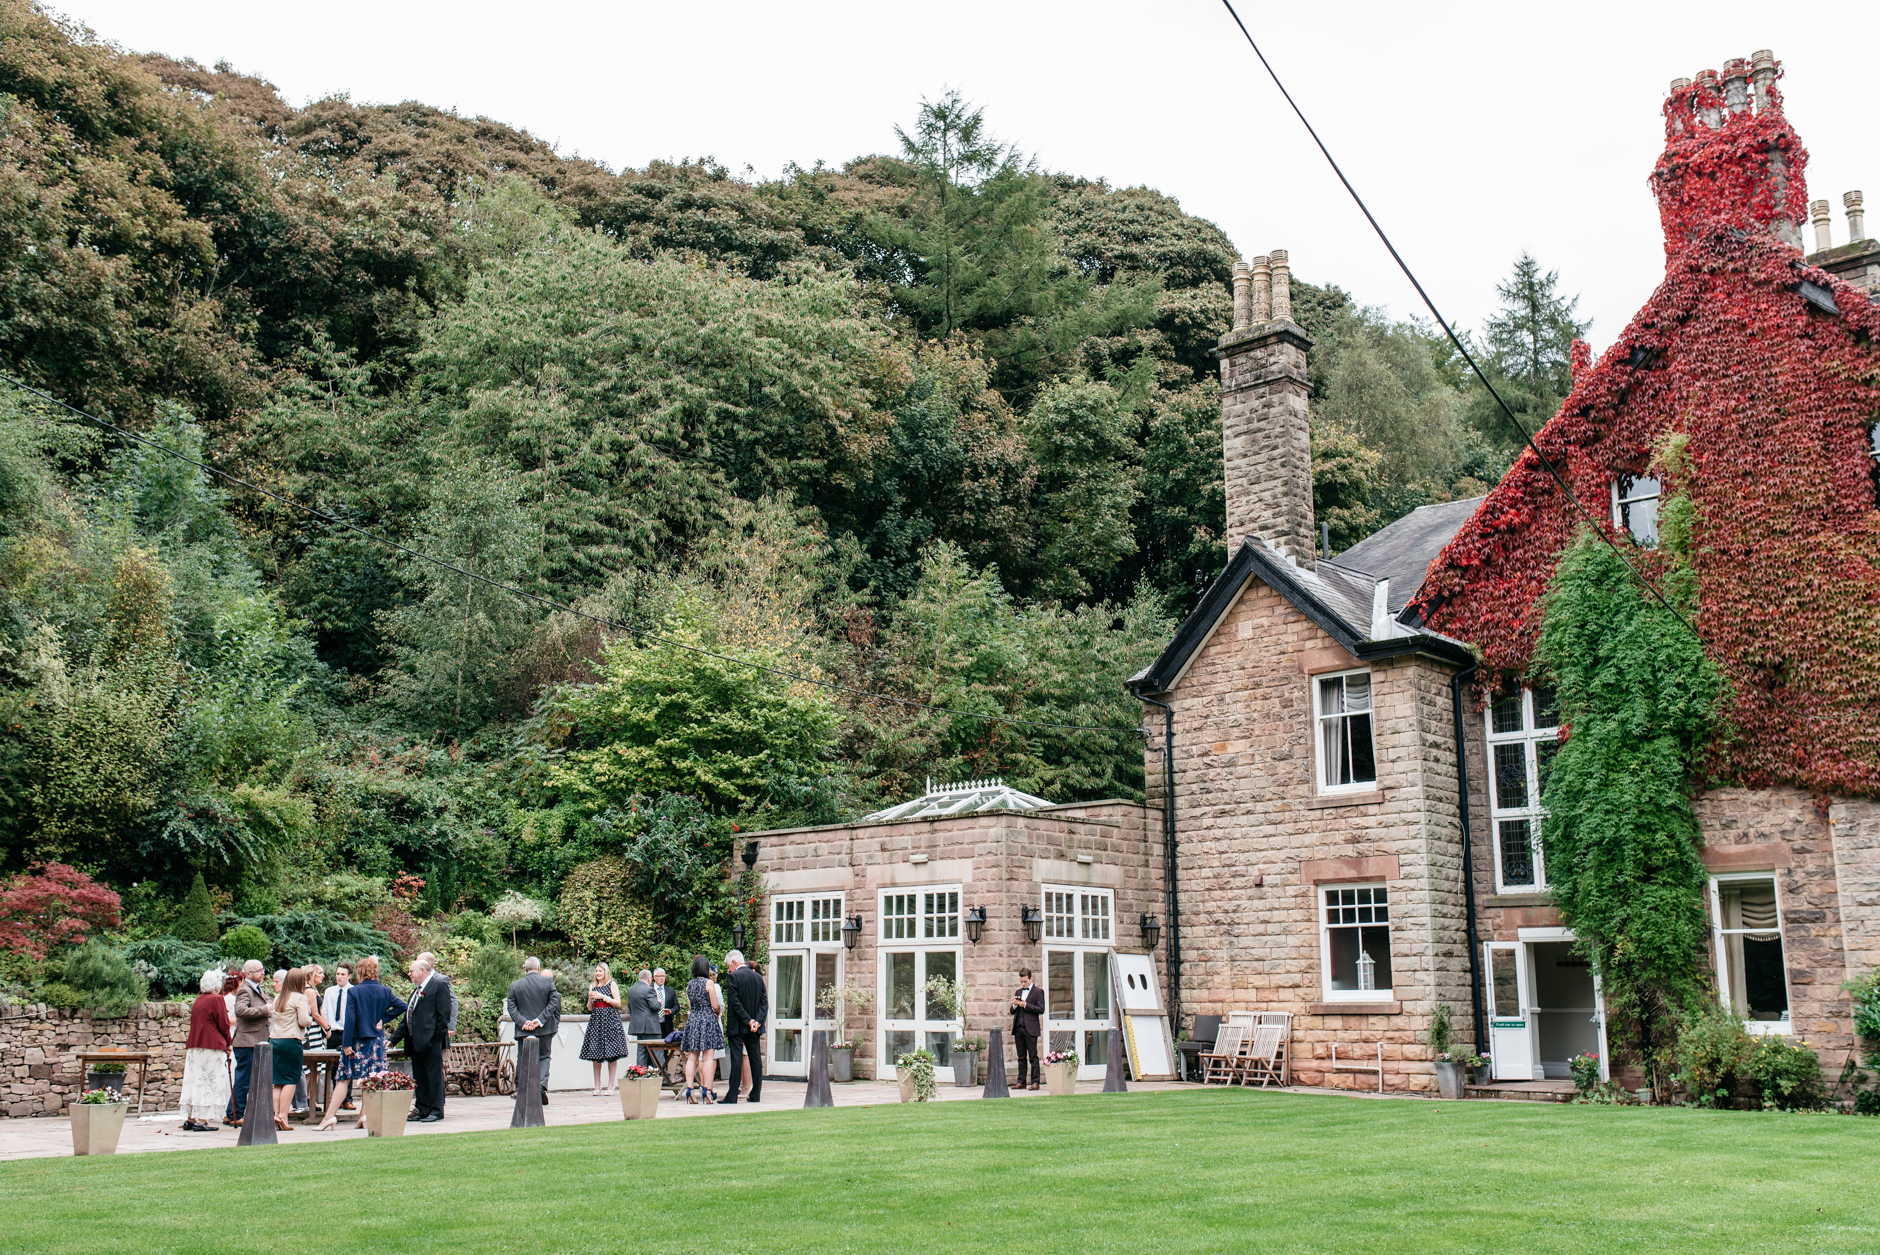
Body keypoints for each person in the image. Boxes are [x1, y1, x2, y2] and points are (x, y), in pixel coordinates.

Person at [319, 955, 404, 1132]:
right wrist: (383, 1018)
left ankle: (328, 1117)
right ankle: (364, 1117)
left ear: (359, 972)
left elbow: (350, 1019)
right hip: (376, 1042)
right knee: (371, 1079)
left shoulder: (354, 991)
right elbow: (402, 1006)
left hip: (357, 1042)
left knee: (343, 1078)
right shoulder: (385, 991)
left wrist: (346, 1043)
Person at [392, 954, 454, 1123]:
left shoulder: (439, 984)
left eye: (411, 971)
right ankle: (423, 1108)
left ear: (422, 970)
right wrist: (393, 1039)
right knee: (419, 1076)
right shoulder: (417, 990)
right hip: (416, 1042)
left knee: (433, 1076)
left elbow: (444, 1016)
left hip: (431, 1041)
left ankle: (436, 1110)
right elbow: (408, 1017)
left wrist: (436, 1040)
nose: (409, 974)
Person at [180, 968, 232, 1132]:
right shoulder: (217, 999)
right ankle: (201, 1120)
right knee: (208, 1080)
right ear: (217, 986)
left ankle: (190, 1118)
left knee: (195, 1080)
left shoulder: (198, 1000)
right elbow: (223, 1023)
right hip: (211, 1045)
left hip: (195, 1046)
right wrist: (228, 1043)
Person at [506, 956, 561, 1105]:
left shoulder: (515, 985)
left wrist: (524, 1022)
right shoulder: (548, 982)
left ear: (525, 969)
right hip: (544, 1028)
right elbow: (554, 1001)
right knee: (544, 1056)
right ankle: (541, 1086)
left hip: (524, 1030)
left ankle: (522, 1089)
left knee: (523, 1058)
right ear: (538, 968)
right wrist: (540, 1020)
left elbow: (511, 1007)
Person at [269, 967, 313, 1131]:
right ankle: (282, 1115)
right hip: (291, 1040)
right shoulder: (299, 998)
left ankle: (275, 1114)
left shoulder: (278, 997)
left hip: (275, 1040)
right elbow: (303, 1021)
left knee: (277, 1081)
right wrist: (309, 1016)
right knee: (290, 1080)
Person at [722, 950, 767, 1104]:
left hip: (738, 1026)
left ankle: (732, 1095)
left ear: (734, 962)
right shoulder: (758, 977)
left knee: (736, 1059)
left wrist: (748, 1021)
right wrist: (757, 1022)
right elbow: (764, 1003)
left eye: (729, 966)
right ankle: (756, 1094)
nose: (729, 969)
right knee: (755, 1059)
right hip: (754, 1027)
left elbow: (735, 1003)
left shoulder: (733, 977)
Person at [230, 960, 271, 1126]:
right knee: (243, 1080)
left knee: (246, 1078)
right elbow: (239, 1011)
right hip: (246, 1041)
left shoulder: (256, 988)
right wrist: (264, 1010)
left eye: (262, 970)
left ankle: (230, 1113)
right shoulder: (245, 989)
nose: (262, 973)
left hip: (255, 1040)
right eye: (258, 971)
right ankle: (237, 1114)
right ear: (248, 974)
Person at [680, 954, 725, 1103]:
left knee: (692, 1057)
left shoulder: (690, 985)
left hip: (693, 1019)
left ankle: (690, 1090)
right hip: (707, 1020)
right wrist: (717, 1012)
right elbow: (715, 1005)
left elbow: (691, 1004)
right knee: (707, 1058)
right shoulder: (709, 983)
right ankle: (706, 1090)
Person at [580, 962, 628, 1094]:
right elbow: (590, 1008)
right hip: (596, 1020)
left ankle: (611, 1085)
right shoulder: (592, 986)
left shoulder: (611, 984)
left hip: (610, 1019)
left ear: (605, 972)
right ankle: (597, 1086)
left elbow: (617, 1003)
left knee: (612, 1054)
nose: (598, 973)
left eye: (600, 971)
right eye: (596, 971)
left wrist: (603, 997)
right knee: (596, 1054)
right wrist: (590, 998)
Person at [292, 964, 327, 1117]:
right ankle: (305, 1099)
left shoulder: (314, 989)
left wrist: (325, 1028)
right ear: (311, 974)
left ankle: (310, 1099)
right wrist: (328, 1028)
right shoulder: (308, 990)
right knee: (311, 1066)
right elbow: (315, 1014)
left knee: (317, 1067)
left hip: (317, 1031)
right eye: (319, 973)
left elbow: (321, 1011)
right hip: (311, 1030)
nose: (322, 975)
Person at [1011, 967, 1045, 1091]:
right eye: (1021, 982)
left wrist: (1025, 1005)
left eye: (1025, 981)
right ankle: (1021, 1081)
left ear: (1031, 978)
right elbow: (1012, 1011)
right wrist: (1014, 1005)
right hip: (1019, 1027)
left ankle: (1035, 1082)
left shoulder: (1038, 992)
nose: (1023, 984)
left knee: (1033, 1056)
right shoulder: (1018, 991)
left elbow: (1041, 1009)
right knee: (1021, 1057)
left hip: (1031, 1028)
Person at [625, 968, 661, 1066]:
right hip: (650, 1026)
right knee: (657, 1052)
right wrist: (659, 1002)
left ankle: (641, 1075)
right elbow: (655, 1006)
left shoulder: (631, 990)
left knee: (641, 1052)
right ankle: (664, 1078)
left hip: (637, 1026)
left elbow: (630, 1007)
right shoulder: (649, 989)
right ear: (649, 979)